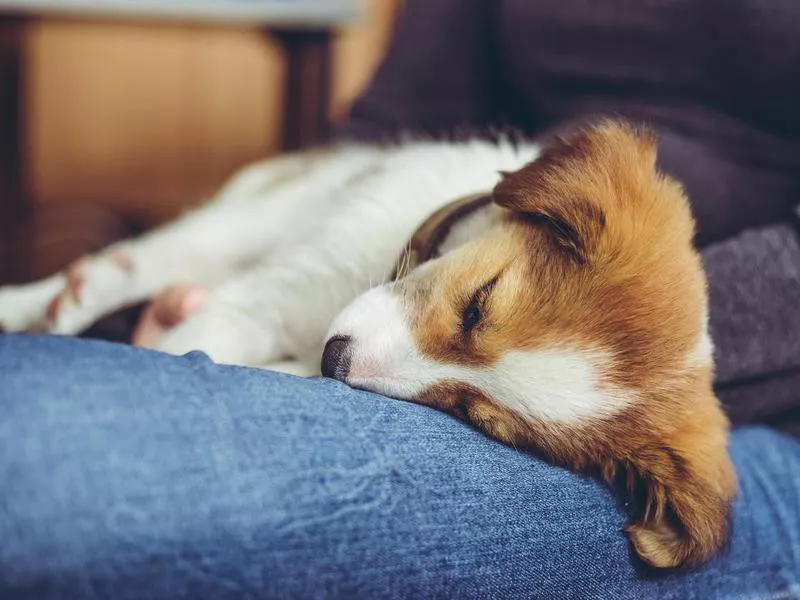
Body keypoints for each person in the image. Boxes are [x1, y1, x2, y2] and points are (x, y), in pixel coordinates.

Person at [2, 0, 800, 597]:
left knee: (65, 463)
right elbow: (393, 125)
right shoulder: (549, 219)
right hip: (518, 213)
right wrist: (284, 254)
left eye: (469, 404)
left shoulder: (572, 394)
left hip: (751, 430)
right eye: (475, 313)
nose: (359, 368)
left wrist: (648, 381)